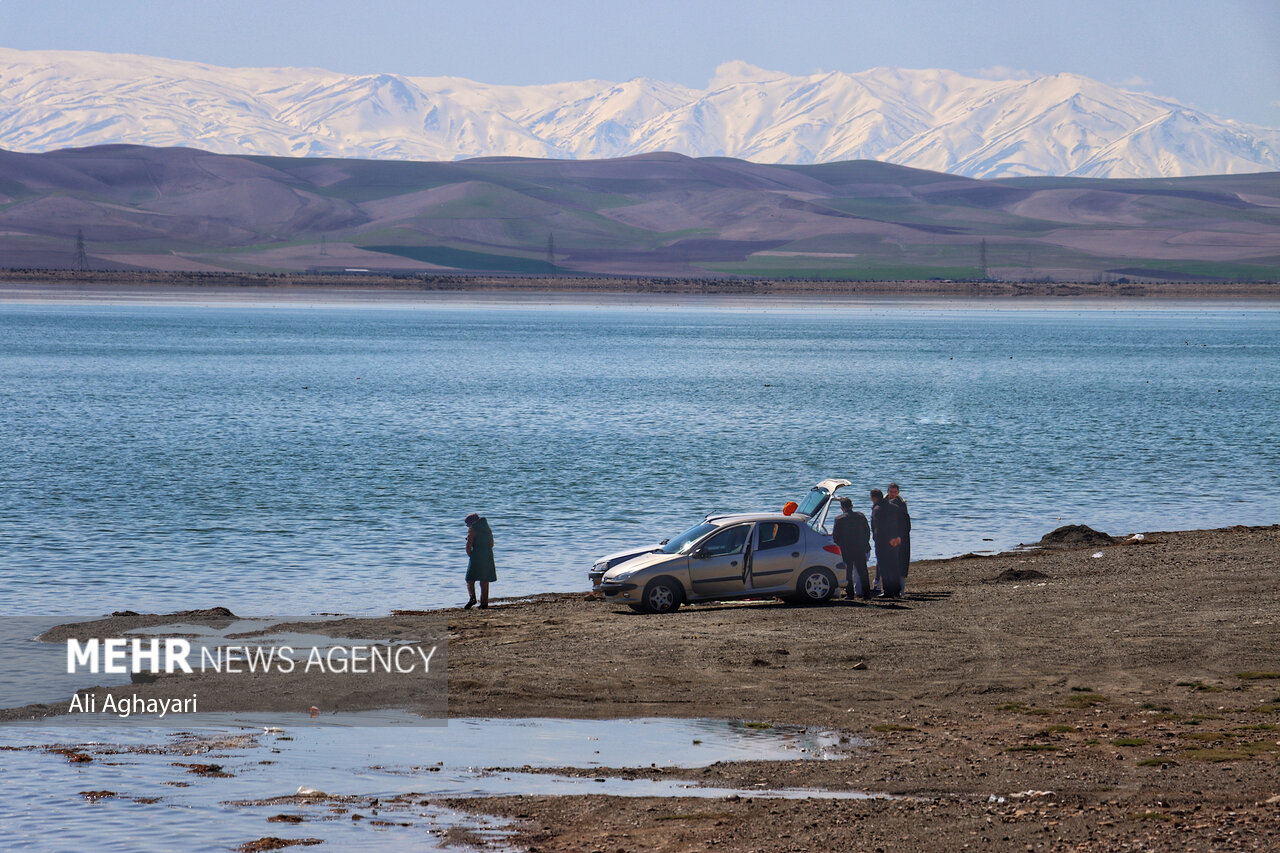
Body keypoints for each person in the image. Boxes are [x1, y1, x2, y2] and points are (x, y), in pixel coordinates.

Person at [831, 496, 871, 599]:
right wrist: (864, 543)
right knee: (863, 572)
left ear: (842, 508)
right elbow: (867, 531)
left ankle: (850, 594)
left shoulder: (839, 519)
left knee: (848, 573)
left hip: (846, 549)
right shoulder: (861, 516)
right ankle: (866, 594)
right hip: (860, 548)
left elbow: (836, 536)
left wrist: (840, 546)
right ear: (852, 506)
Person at [870, 489, 905, 598]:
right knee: (894, 565)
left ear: (874, 498)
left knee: (884, 567)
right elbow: (901, 524)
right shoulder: (894, 507)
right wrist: (898, 537)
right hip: (895, 540)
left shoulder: (877, 509)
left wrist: (877, 539)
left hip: (883, 542)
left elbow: (878, 527)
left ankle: (888, 591)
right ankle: (896, 590)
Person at [464, 513, 496, 609]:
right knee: (484, 579)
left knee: (469, 578)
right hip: (488, 555)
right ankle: (484, 603)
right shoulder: (487, 528)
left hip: (477, 554)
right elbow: (492, 544)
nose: (467, 526)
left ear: (471, 522)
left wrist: (471, 555)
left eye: (467, 524)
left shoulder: (472, 529)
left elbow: (469, 546)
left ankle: (472, 598)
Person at [887, 483, 911, 594]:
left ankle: (898, 589)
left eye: (895, 492)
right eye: (891, 492)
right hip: (896, 537)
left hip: (900, 538)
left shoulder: (900, 504)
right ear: (888, 492)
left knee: (899, 563)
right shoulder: (887, 503)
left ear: (898, 493)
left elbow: (905, 523)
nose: (893, 494)